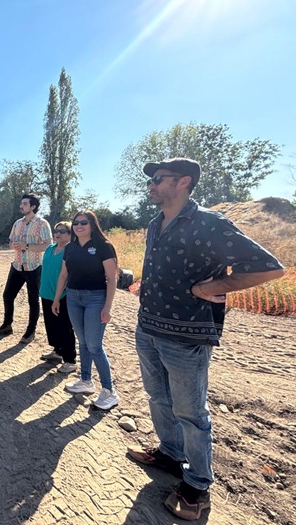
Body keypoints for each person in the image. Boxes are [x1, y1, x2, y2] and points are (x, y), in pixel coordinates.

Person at [127, 158, 285, 521]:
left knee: (191, 412)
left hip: (187, 336)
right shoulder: (154, 224)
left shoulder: (209, 223)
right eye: (151, 179)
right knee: (158, 398)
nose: (151, 184)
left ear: (183, 182)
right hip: (148, 328)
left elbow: (269, 267)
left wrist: (214, 286)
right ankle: (170, 454)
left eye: (158, 178)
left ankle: (197, 486)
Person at [52, 210, 119, 410]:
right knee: (82, 342)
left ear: (92, 225)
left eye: (84, 222)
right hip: (73, 298)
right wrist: (57, 298)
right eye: (76, 223)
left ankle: (109, 391)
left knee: (94, 346)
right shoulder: (70, 247)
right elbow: (64, 275)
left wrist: (107, 307)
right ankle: (86, 381)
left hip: (95, 299)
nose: (79, 226)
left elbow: (112, 278)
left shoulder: (103, 246)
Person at [0, 194, 52, 344]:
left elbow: (47, 245)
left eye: (25, 204)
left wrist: (27, 246)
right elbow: (10, 242)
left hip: (34, 267)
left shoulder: (42, 223)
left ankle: (30, 331)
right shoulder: (17, 223)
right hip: (17, 266)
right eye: (22, 203)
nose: (21, 206)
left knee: (33, 300)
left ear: (33, 206)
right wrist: (13, 245)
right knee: (7, 296)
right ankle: (7, 325)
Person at [39, 221, 77, 372]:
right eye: (56, 231)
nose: (58, 234)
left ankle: (70, 360)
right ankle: (57, 351)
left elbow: (66, 274)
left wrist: (58, 296)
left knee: (64, 327)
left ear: (70, 234)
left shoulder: (70, 250)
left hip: (62, 295)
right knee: (51, 325)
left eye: (62, 231)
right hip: (46, 292)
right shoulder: (50, 248)